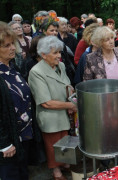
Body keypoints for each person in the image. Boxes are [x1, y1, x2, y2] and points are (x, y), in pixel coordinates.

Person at [28, 36, 77, 180]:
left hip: (64, 112)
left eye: (60, 52)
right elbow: (46, 102)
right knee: (53, 145)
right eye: (55, 53)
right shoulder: (36, 72)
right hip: (50, 115)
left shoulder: (60, 66)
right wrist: (71, 105)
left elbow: (66, 84)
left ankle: (65, 164)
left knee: (65, 140)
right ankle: (56, 172)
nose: (59, 56)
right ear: (43, 55)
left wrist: (72, 95)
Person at [0, 21, 42, 180]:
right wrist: (4, 143)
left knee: (23, 173)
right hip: (8, 143)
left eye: (12, 44)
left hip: (23, 136)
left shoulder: (12, 67)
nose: (12, 48)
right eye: (6, 45)